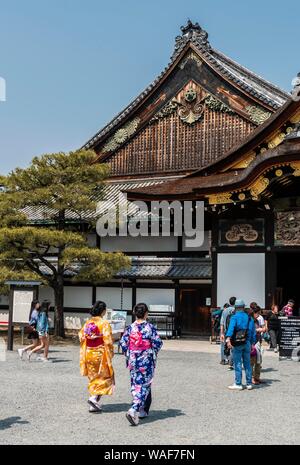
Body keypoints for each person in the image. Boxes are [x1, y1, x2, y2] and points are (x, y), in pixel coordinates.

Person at [120, 303, 163, 426]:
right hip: (146, 360)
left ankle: (142, 410)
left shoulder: (130, 327)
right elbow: (158, 343)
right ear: (146, 313)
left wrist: (130, 353)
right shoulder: (150, 327)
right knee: (145, 385)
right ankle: (134, 409)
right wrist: (150, 351)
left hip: (133, 360)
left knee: (135, 384)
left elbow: (123, 343)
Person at [79, 301, 115, 413]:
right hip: (100, 353)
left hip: (88, 352)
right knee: (105, 377)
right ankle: (93, 398)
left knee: (93, 377)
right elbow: (108, 340)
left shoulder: (88, 323)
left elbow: (81, 337)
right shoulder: (104, 323)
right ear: (103, 311)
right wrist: (110, 352)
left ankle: (93, 403)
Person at [226, 299, 256, 391]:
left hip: (237, 342)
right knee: (247, 363)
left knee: (238, 363)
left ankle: (238, 383)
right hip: (247, 342)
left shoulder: (234, 317)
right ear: (243, 307)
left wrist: (228, 339)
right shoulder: (249, 317)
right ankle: (249, 383)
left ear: (236, 307)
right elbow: (252, 331)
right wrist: (252, 343)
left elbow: (231, 329)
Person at [250, 308, 265, 385]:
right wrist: (257, 330)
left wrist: (260, 330)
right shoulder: (250, 321)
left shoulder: (257, 321)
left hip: (258, 342)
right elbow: (249, 331)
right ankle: (252, 378)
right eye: (257, 314)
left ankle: (257, 377)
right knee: (252, 361)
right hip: (252, 343)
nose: (258, 315)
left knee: (259, 361)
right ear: (254, 314)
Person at [220, 297, 236, 367]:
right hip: (233, 331)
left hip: (226, 330)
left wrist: (222, 333)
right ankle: (231, 360)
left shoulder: (225, 310)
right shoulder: (236, 310)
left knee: (223, 345)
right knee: (232, 345)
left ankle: (223, 359)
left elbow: (222, 323)